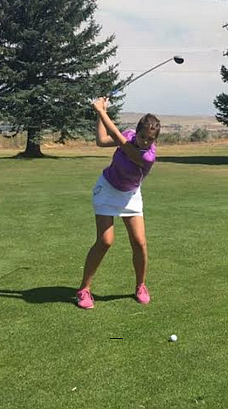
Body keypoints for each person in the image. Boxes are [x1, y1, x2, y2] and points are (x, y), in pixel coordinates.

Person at [76, 96, 160, 309]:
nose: (145, 142)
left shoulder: (148, 156)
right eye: (142, 137)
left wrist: (101, 110)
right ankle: (84, 289)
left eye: (150, 139)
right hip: (107, 189)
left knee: (139, 241)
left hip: (130, 195)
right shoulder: (129, 136)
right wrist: (100, 113)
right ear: (137, 132)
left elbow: (118, 138)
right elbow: (102, 140)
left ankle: (141, 285)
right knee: (105, 241)